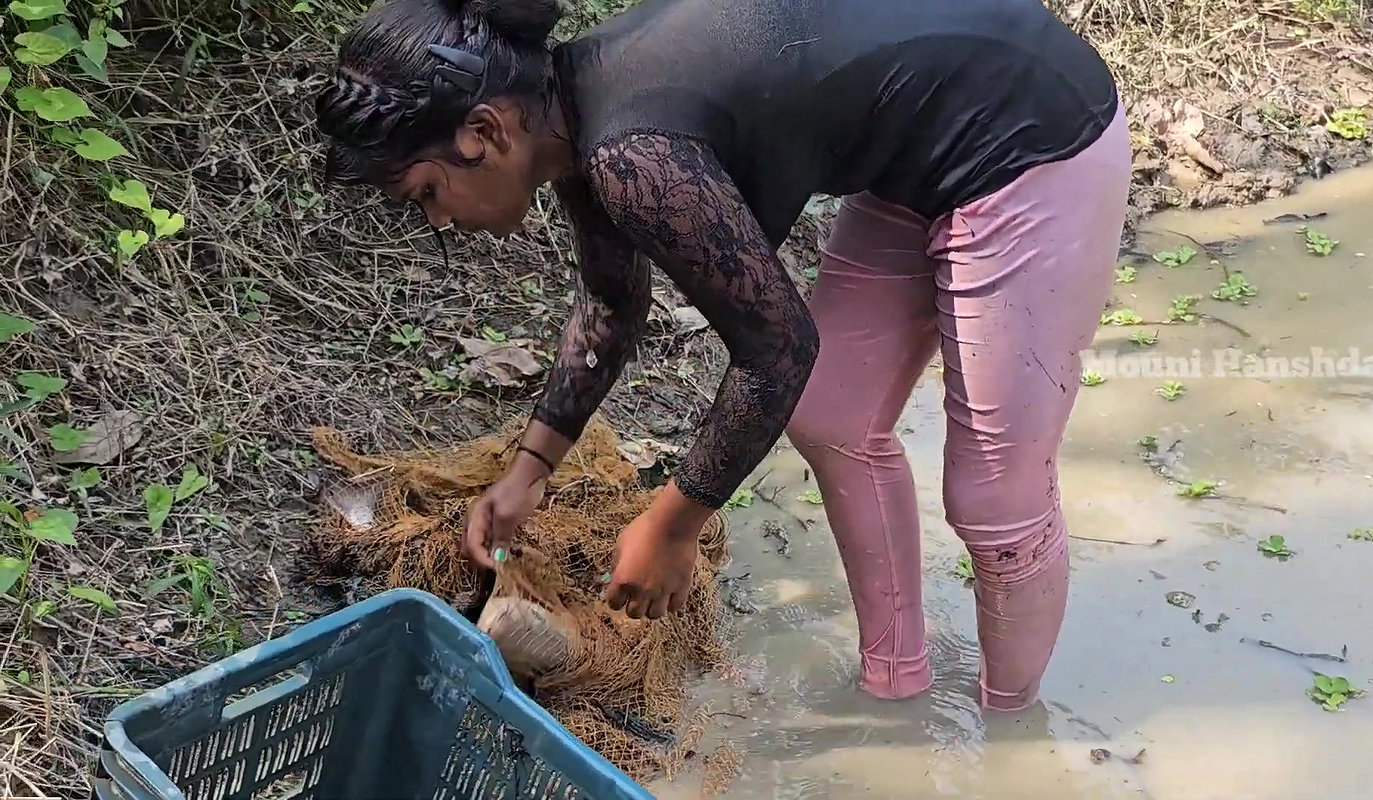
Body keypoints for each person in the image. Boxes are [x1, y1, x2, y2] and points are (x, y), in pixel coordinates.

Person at [314, 0, 1130, 711]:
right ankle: (897, 685)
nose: (439, 222)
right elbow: (611, 306)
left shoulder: (631, 150)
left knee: (992, 492)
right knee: (835, 417)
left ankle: (1010, 726)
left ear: (485, 132)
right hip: (923, 142)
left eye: (426, 193)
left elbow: (777, 349)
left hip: (1031, 131)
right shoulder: (575, 118)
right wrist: (527, 472)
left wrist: (675, 525)